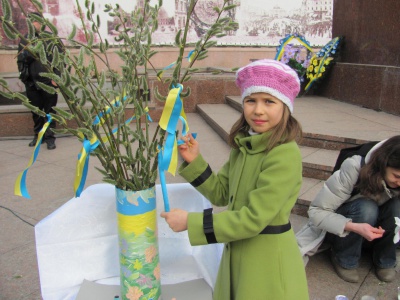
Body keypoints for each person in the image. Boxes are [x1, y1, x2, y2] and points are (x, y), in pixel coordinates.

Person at [160, 59, 309, 299]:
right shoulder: (245, 146)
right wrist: (195, 161)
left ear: (285, 107)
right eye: (251, 100)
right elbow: (221, 192)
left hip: (266, 260)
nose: (258, 110)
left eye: (269, 101)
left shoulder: (284, 155)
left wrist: (191, 222)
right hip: (238, 249)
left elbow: (253, 219)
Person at [296, 135, 400, 283]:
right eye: (396, 176)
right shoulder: (355, 167)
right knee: (367, 208)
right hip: (348, 222)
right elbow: (317, 211)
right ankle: (344, 258)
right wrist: (353, 226)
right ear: (383, 164)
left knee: (397, 207)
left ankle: (385, 258)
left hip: (378, 227)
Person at [17, 12, 61, 150]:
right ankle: (38, 136)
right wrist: (25, 76)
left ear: (41, 22)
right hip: (31, 82)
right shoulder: (25, 39)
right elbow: (20, 59)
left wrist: (57, 78)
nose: (33, 24)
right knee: (36, 111)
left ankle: (50, 137)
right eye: (30, 21)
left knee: (50, 111)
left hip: (48, 82)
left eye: (35, 21)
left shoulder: (51, 38)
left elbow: (60, 60)